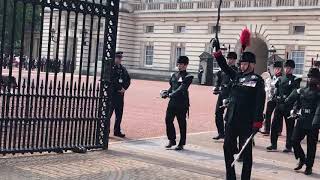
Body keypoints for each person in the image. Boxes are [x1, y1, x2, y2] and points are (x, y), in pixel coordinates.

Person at [213, 50, 266, 180]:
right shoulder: (237, 76)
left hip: (246, 122)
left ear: (252, 64)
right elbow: (224, 67)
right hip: (231, 119)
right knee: (227, 148)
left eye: (245, 64)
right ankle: (230, 176)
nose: (242, 66)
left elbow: (260, 102)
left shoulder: (257, 80)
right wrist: (218, 54)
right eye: (241, 64)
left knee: (246, 153)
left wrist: (257, 122)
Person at [285, 67, 320, 175]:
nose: (311, 80)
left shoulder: (319, 93)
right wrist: (294, 109)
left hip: (313, 122)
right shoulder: (303, 90)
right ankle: (301, 158)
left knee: (311, 146)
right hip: (302, 119)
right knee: (294, 140)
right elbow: (298, 103)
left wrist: (316, 122)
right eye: (309, 78)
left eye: (313, 78)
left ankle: (309, 166)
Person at [267, 59, 301, 152]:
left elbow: (295, 91)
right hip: (279, 105)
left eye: (289, 68)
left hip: (288, 106)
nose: (287, 70)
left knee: (290, 127)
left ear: (293, 69)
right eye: (286, 68)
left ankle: (288, 146)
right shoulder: (281, 78)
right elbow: (276, 90)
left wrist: (289, 99)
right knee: (274, 125)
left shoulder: (295, 79)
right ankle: (273, 144)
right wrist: (274, 96)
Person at [161, 56, 193, 151]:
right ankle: (172, 140)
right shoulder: (174, 75)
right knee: (168, 120)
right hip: (173, 102)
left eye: (181, 64)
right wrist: (166, 92)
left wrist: (171, 94)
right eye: (178, 64)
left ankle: (181, 143)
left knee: (181, 123)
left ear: (186, 65)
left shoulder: (188, 76)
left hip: (182, 103)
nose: (179, 66)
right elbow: (172, 87)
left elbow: (182, 88)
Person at [213, 52, 237, 140]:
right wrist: (216, 87)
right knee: (218, 113)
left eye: (232, 59)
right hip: (222, 94)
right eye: (228, 59)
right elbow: (218, 79)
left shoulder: (236, 71)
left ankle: (229, 134)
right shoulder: (222, 70)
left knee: (230, 116)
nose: (230, 61)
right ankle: (221, 133)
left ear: (234, 60)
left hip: (231, 95)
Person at [109, 51, 131, 138]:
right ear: (114, 58)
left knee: (119, 114)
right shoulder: (111, 68)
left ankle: (117, 131)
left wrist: (124, 88)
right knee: (109, 114)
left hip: (120, 95)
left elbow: (128, 79)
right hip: (112, 94)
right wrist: (119, 88)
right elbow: (112, 80)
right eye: (118, 58)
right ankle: (106, 131)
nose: (119, 60)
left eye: (120, 58)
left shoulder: (123, 69)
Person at [261, 60, 283, 136]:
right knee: (268, 113)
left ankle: (279, 130)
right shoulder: (271, 77)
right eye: (275, 68)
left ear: (280, 69)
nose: (277, 70)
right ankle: (267, 129)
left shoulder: (282, 78)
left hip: (278, 98)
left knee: (279, 115)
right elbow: (267, 87)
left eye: (278, 69)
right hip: (271, 98)